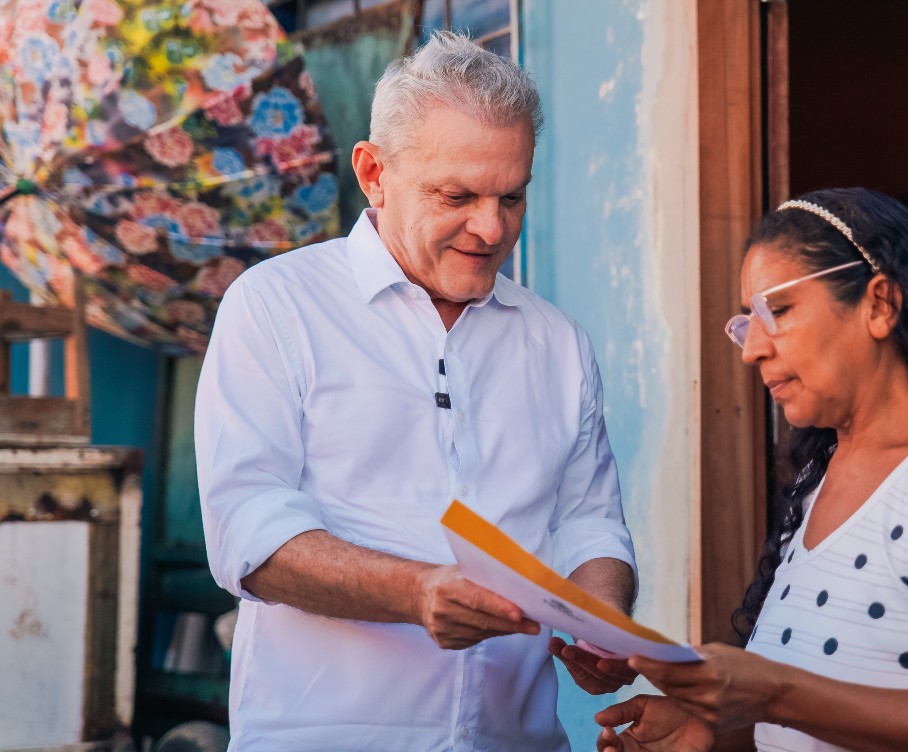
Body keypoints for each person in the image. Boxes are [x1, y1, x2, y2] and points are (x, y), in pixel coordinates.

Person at [195, 31, 639, 750]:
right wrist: (416, 592)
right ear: (374, 174)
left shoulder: (557, 342)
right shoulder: (276, 307)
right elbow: (248, 531)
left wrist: (602, 620)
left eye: (512, 196)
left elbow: (590, 523)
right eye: (457, 195)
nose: (492, 228)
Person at [595, 188, 908, 752]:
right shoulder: (821, 476)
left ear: (880, 304)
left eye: (779, 311)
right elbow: (825, 714)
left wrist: (774, 695)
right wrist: (713, 734)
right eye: (748, 322)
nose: (752, 349)